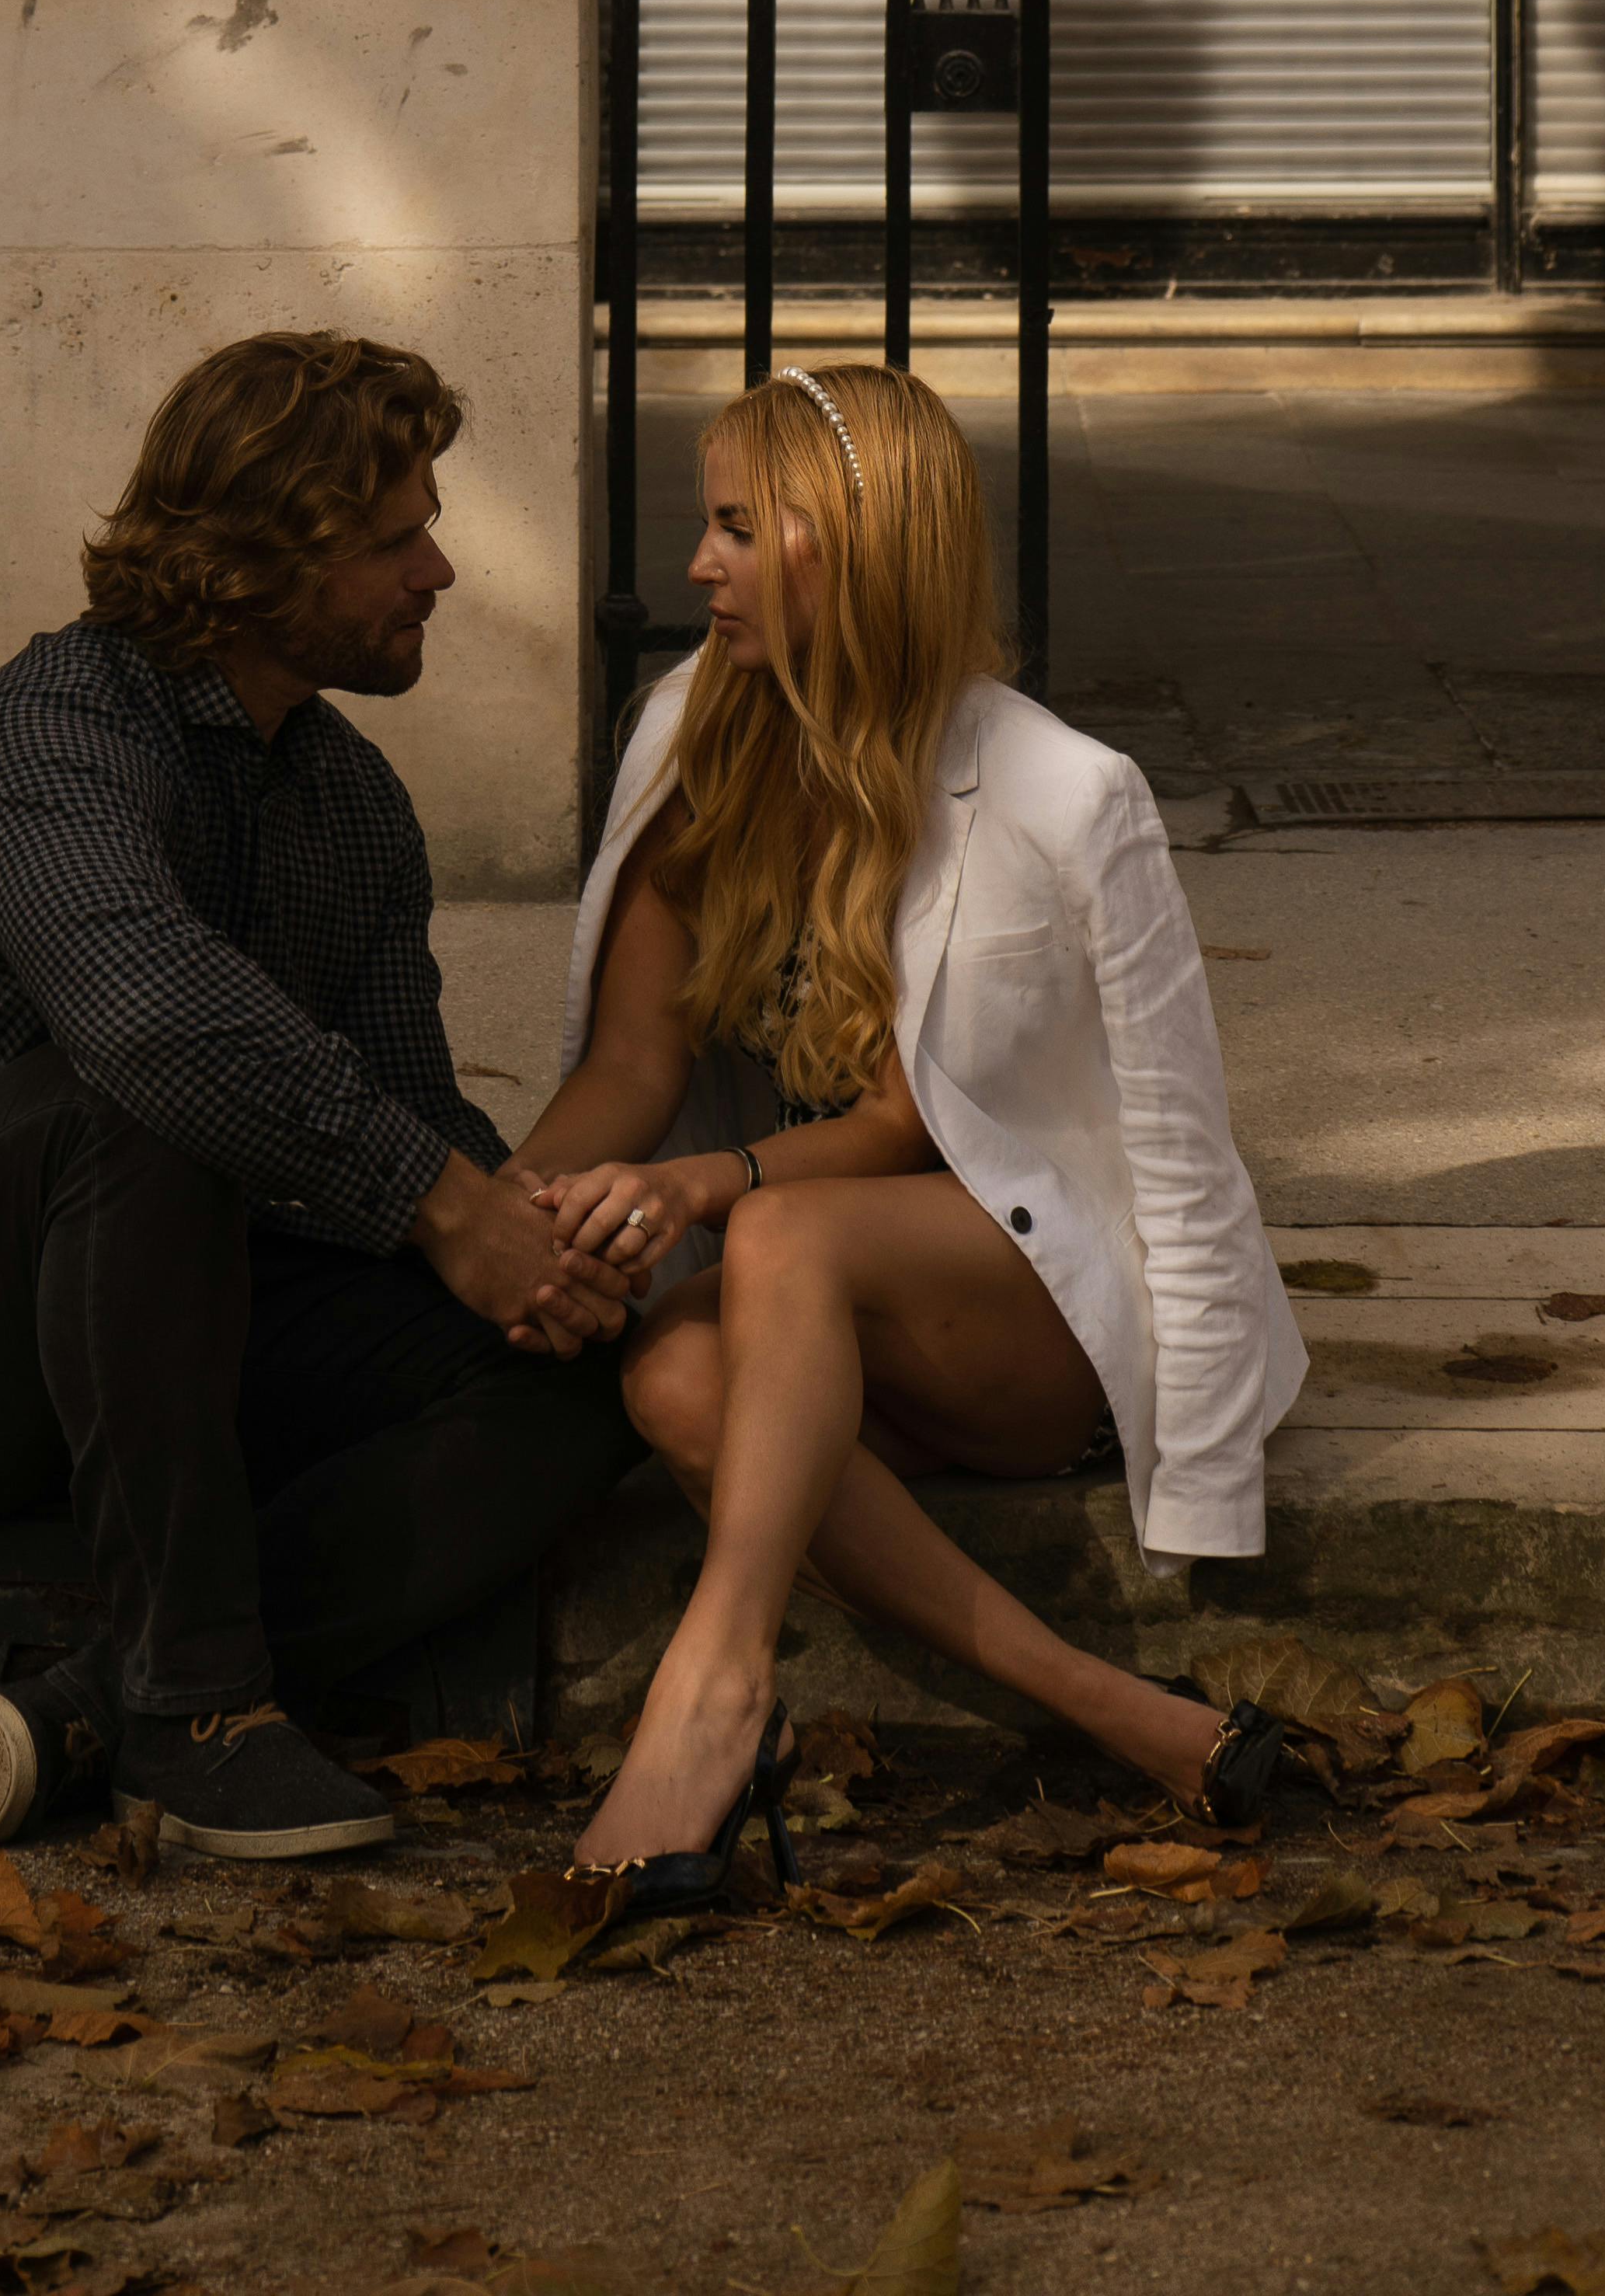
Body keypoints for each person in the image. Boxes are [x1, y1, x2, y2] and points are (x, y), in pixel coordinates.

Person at [0, 330, 637, 1863]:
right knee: (143, 1086)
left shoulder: (347, 804)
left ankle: (100, 1703)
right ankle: (201, 1715)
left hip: (151, 1320)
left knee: (570, 1372)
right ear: (266, 558)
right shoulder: (52, 738)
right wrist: (442, 1203)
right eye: (397, 538)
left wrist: (537, 1251)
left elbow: (408, 1115)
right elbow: (153, 1031)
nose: (440, 573)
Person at [519, 361, 1307, 1906]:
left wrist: (1207, 1465)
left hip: (1027, 1318)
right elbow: (629, 1059)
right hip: (813, 1302)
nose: (696, 568)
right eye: (705, 528)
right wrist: (512, 1207)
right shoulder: (690, 732)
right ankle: (1120, 1712)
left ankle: (716, 1691)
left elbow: (1164, 1139)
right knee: (675, 1365)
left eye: (739, 529)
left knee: (772, 1231)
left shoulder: (1065, 796)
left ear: (851, 550)